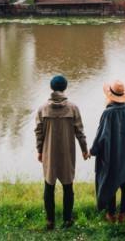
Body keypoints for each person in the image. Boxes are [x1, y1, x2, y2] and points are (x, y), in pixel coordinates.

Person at [34, 74, 89, 230]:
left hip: (49, 153)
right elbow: (79, 131)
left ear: (51, 88)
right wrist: (84, 150)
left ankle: (50, 221)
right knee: (68, 187)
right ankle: (67, 220)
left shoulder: (42, 109)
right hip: (67, 153)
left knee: (49, 186)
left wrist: (39, 151)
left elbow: (38, 132)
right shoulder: (73, 108)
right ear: (65, 88)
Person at [89, 79, 125, 224]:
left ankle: (111, 214)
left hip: (111, 157)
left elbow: (101, 137)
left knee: (111, 183)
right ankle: (123, 214)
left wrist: (92, 151)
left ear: (109, 95)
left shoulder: (108, 113)